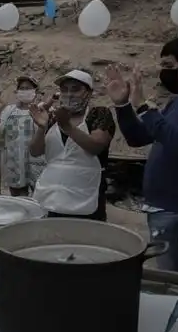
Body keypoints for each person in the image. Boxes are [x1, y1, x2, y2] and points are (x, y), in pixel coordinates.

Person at [107, 34, 178, 272]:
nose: (164, 73)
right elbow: (138, 137)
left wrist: (144, 107)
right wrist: (123, 105)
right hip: (165, 211)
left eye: (169, 66)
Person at [28, 70, 116, 221]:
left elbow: (96, 146)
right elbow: (35, 151)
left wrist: (67, 126)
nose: (69, 94)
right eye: (65, 90)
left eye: (75, 89)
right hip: (50, 196)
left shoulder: (98, 114)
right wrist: (41, 128)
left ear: (88, 93)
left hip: (85, 198)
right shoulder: (53, 118)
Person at [0, 76, 48, 196]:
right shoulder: (9, 110)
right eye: (22, 88)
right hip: (14, 162)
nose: (24, 91)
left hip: (36, 162)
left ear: (35, 91)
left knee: (38, 195)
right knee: (18, 197)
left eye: (28, 88)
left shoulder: (41, 110)